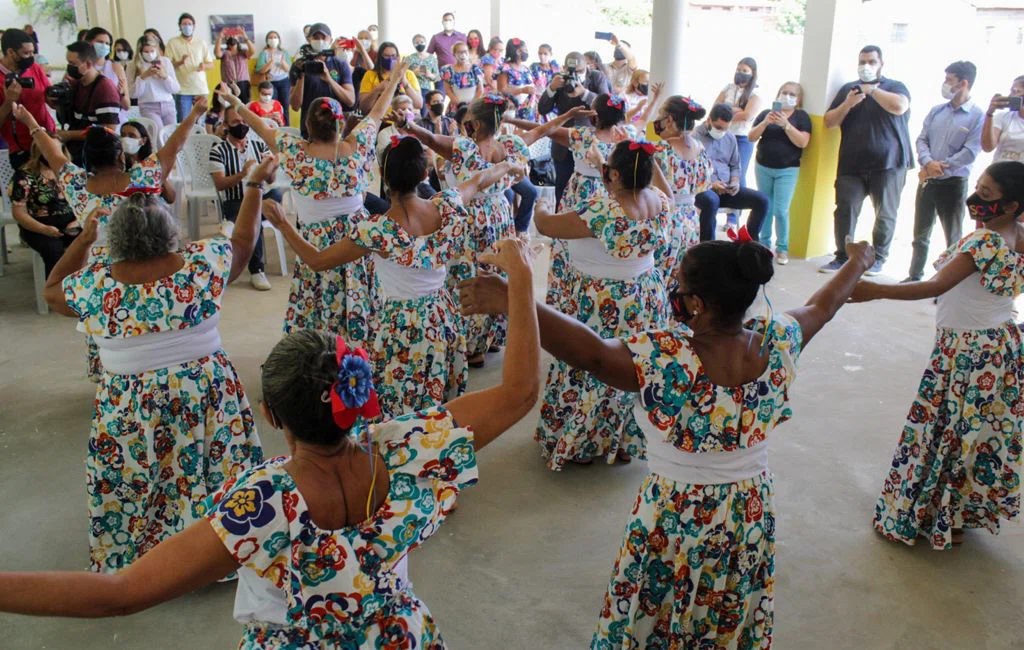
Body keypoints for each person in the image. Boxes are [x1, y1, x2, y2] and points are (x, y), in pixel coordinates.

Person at [0, 236, 541, 648]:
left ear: (271, 415)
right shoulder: (407, 451)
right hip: (398, 634)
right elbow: (518, 392)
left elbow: (119, 595)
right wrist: (519, 277)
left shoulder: (261, 503)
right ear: (358, 393)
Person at [462, 224, 874, 649]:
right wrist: (859, 260)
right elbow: (824, 305)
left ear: (695, 303)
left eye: (677, 283)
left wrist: (517, 298)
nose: (671, 289)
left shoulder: (666, 358)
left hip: (676, 513)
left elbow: (590, 352)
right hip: (747, 510)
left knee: (656, 604)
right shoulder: (780, 340)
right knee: (723, 601)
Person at [34, 155, 277, 572]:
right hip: (205, 393)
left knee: (138, 479)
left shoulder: (95, 286)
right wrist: (253, 186)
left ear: (117, 241)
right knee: (210, 471)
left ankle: (143, 560)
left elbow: (52, 289)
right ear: (170, 231)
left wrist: (84, 239)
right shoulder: (203, 264)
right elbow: (243, 240)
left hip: (130, 405)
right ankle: (221, 551)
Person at [266, 137, 527, 418]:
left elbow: (317, 260)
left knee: (398, 393)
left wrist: (283, 224)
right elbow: (480, 179)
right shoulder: (447, 206)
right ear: (425, 175)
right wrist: (508, 165)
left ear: (384, 178)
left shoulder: (376, 230)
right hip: (441, 316)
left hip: (398, 324)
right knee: (439, 391)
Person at [854, 161, 1024, 550]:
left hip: (966, 351)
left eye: (986, 194)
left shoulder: (983, 242)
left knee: (944, 430)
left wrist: (874, 289)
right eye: (978, 187)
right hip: (1000, 345)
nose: (976, 199)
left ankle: (933, 515)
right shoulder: (1017, 235)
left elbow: (932, 286)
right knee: (974, 432)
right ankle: (958, 514)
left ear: (1011, 205)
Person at [225, 63, 406, 345]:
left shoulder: (294, 151)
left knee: (317, 298)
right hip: (355, 239)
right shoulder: (358, 146)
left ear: (307, 125)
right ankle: (360, 352)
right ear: (341, 123)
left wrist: (235, 100)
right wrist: (394, 80)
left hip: (313, 241)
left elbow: (258, 126)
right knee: (357, 295)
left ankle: (318, 356)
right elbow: (378, 111)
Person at [531, 139, 673, 469]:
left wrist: (540, 205)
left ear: (616, 174)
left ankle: (584, 443)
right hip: (647, 296)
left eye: (608, 169)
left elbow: (545, 225)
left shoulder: (600, 210)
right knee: (635, 366)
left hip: (603, 300)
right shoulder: (660, 201)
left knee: (590, 364)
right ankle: (624, 441)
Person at [403, 94, 531, 367]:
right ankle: (493, 336)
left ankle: (472, 346)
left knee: (468, 273)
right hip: (499, 214)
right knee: (495, 269)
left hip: (470, 219)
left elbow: (429, 139)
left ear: (477, 124)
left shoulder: (463, 149)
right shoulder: (510, 145)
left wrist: (410, 126)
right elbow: (540, 132)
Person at [820, 45, 912, 275]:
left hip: (889, 163)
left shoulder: (895, 87)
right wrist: (848, 103)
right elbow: (829, 121)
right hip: (851, 164)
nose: (866, 66)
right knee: (845, 208)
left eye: (871, 62)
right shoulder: (848, 90)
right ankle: (842, 255)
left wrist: (872, 91)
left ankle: (878, 258)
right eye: (862, 62)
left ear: (882, 64)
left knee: (885, 213)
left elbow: (899, 106)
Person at [905, 61, 984, 282]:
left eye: (949, 79)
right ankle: (914, 277)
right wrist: (929, 162)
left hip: (954, 183)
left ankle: (948, 283)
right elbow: (922, 139)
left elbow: (970, 151)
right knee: (920, 234)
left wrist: (941, 166)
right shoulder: (937, 111)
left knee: (953, 238)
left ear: (963, 83)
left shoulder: (978, 116)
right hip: (928, 180)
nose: (945, 84)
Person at [210, 105, 285, 291]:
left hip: (261, 197)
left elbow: (271, 180)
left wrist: (271, 169)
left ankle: (231, 224)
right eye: (236, 122)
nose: (241, 125)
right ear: (226, 124)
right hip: (235, 201)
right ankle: (257, 270)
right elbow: (220, 184)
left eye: (244, 121)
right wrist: (243, 173)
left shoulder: (258, 145)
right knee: (253, 215)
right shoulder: (218, 150)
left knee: (274, 195)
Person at [651, 96, 714, 286]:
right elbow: (705, 184)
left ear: (669, 119)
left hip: (665, 218)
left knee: (658, 274)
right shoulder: (700, 148)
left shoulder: (660, 150)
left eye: (660, 114)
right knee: (681, 275)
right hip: (690, 220)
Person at [748, 81, 812, 265]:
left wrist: (786, 125)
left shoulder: (801, 117)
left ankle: (782, 248)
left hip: (788, 169)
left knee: (781, 210)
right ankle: (765, 244)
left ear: (798, 99)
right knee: (765, 206)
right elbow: (751, 137)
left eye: (792, 94)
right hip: (763, 167)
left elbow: (803, 143)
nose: (787, 96)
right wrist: (766, 122)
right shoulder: (765, 114)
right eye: (783, 92)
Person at [538, 51, 612, 206]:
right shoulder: (560, 79)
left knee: (590, 196)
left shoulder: (596, 77)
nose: (575, 75)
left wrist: (584, 93)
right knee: (562, 189)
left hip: (590, 145)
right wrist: (552, 88)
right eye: (572, 72)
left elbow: (607, 105)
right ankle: (558, 228)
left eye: (579, 72)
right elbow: (543, 109)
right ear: (565, 68)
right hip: (563, 145)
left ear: (587, 66)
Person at [693, 103, 770, 241]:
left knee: (762, 200)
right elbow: (692, 171)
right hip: (702, 189)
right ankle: (707, 247)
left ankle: (750, 244)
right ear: (709, 120)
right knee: (712, 200)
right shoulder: (694, 137)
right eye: (718, 127)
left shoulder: (730, 137)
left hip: (726, 189)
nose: (722, 131)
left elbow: (735, 166)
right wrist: (712, 184)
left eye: (725, 128)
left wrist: (734, 182)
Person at [9, 141, 79, 276]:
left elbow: (84, 202)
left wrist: (77, 221)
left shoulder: (71, 173)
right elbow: (19, 213)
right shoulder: (25, 176)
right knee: (53, 250)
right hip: (38, 226)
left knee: (90, 242)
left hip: (72, 223)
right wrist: (44, 229)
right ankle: (56, 293)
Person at [56, 42, 122, 167]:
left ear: (88, 64)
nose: (69, 68)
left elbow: (108, 130)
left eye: (73, 64)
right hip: (76, 152)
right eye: (68, 63)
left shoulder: (104, 88)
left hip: (96, 156)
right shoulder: (78, 85)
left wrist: (69, 135)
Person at [288, 22, 355, 139]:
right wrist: (301, 76)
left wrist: (329, 79)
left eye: (323, 37)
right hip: (309, 130)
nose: (320, 40)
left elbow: (350, 100)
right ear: (309, 40)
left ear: (331, 40)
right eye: (315, 37)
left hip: (336, 129)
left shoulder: (340, 64)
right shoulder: (299, 65)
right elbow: (295, 106)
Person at [0, 28, 54, 169]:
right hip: (22, 149)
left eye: (32, 52)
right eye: (26, 53)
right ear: (11, 52)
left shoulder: (35, 68)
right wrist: (9, 102)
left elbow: (50, 100)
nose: (31, 57)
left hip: (48, 138)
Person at [713, 57, 762, 194]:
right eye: (738, 69)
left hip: (742, 139)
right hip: (723, 135)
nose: (740, 72)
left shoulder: (755, 93)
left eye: (745, 71)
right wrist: (736, 110)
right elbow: (716, 108)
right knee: (722, 171)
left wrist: (727, 110)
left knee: (738, 174)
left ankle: (735, 213)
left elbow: (747, 116)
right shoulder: (728, 88)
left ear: (752, 73)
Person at [166, 12, 215, 121]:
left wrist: (204, 66)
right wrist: (180, 62)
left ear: (194, 26)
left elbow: (211, 64)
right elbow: (167, 64)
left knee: (201, 122)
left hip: (200, 88)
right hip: (183, 90)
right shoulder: (172, 43)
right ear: (179, 26)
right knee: (184, 121)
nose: (187, 26)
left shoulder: (201, 42)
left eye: (189, 24)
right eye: (184, 24)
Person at [130, 35, 179, 132]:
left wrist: (165, 76)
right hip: (148, 106)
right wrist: (143, 77)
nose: (150, 54)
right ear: (140, 52)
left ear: (156, 49)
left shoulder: (165, 61)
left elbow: (175, 89)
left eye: (152, 51)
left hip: (168, 104)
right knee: (158, 134)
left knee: (172, 135)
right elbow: (133, 94)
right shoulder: (133, 65)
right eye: (146, 52)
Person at [120, 121, 176, 204]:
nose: (126, 139)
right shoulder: (118, 164)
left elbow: (171, 198)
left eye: (132, 136)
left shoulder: (152, 163)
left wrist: (161, 176)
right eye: (123, 135)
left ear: (143, 141)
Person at [359, 41, 421, 113]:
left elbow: (418, 104)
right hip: (380, 120)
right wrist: (377, 90)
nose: (390, 59)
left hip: (404, 119)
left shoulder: (408, 74)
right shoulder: (370, 74)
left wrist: (405, 82)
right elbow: (363, 107)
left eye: (393, 56)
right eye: (386, 56)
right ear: (380, 57)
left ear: (398, 57)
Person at [85, 27, 129, 123]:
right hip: (90, 120)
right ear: (89, 43)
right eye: (100, 42)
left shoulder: (116, 68)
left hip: (116, 120)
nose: (104, 46)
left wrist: (120, 93)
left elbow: (127, 106)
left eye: (107, 44)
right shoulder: (83, 67)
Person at [981, 75, 1024, 164]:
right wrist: (989, 114)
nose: (1011, 95)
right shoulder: (1003, 117)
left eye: (1016, 91)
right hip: (999, 171)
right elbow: (987, 147)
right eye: (1011, 91)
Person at [498, 38, 536, 121]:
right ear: (518, 52)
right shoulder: (505, 68)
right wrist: (521, 90)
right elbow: (501, 90)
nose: (527, 52)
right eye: (525, 49)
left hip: (528, 112)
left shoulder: (526, 69)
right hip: (511, 112)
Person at [440, 41, 484, 112]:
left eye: (465, 52)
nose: (463, 55)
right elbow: (448, 90)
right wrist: (457, 103)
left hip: (473, 106)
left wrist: (472, 104)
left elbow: (480, 90)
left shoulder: (475, 69)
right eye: (460, 52)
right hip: (455, 106)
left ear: (468, 53)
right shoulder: (448, 70)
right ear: (454, 54)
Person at [215, 28, 254, 103]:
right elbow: (217, 54)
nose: (232, 37)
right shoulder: (224, 53)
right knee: (229, 105)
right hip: (228, 84)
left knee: (245, 105)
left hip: (243, 83)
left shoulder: (242, 52)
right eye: (230, 36)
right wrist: (220, 37)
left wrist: (245, 37)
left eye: (234, 36)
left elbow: (252, 51)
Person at [255, 30, 291, 108]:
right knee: (272, 105)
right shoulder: (263, 53)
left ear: (279, 39)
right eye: (270, 38)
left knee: (285, 104)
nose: (273, 39)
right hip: (270, 83)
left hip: (284, 82)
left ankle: (285, 120)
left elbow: (289, 69)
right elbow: (260, 70)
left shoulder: (284, 52)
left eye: (275, 37)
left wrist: (283, 62)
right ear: (267, 40)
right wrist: (270, 63)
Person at [405, 34, 439, 114]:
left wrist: (429, 75)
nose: (419, 44)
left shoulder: (432, 58)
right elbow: (403, 73)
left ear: (425, 42)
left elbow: (437, 77)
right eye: (416, 42)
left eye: (421, 42)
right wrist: (413, 73)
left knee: (425, 112)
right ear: (413, 44)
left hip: (425, 89)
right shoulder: (409, 58)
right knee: (411, 113)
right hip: (412, 88)